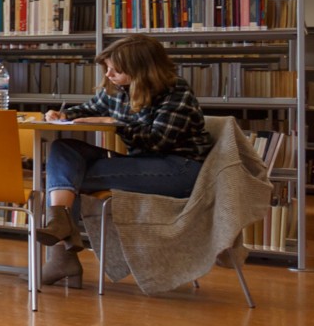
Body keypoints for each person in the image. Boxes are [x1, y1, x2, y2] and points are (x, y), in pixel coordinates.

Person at [36, 34, 211, 286]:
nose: (108, 75)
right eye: (107, 68)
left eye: (115, 70)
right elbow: (88, 109)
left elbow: (158, 141)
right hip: (142, 165)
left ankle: (61, 258)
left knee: (64, 177)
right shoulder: (118, 90)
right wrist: (62, 114)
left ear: (141, 69)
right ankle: (60, 229)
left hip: (179, 168)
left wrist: (114, 122)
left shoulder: (175, 90)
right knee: (63, 150)